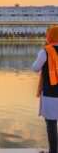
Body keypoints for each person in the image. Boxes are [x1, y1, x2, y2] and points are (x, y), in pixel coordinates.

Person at [32, 25, 58, 153]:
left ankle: (53, 151)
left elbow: (35, 68)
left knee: (51, 124)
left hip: (50, 93)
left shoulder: (46, 51)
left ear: (50, 36)